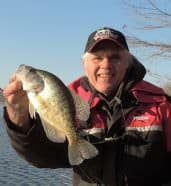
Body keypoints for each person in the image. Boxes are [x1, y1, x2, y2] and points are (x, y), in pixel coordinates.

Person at [2, 27, 171, 186]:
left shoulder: (161, 104)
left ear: (128, 63)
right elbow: (43, 157)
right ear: (84, 64)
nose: (106, 65)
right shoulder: (72, 99)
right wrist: (18, 114)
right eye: (97, 57)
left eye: (115, 57)